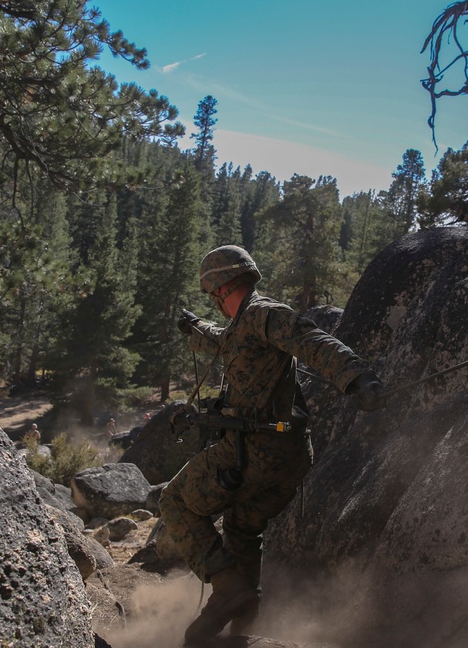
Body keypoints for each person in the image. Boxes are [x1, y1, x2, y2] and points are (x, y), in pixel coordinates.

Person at [159, 244, 385, 645]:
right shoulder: (247, 320)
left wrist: (356, 376)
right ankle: (245, 616)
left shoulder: (264, 313)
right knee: (244, 528)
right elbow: (224, 341)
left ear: (221, 288)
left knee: (175, 502)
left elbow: (311, 339)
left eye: (213, 297)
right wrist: (195, 329)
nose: (214, 304)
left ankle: (228, 588)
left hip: (250, 454)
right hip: (290, 460)